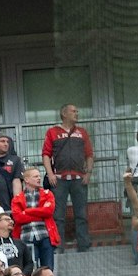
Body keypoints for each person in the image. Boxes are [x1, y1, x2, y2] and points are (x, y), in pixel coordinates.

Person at [42, 104, 93, 251]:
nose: (77, 113)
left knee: (82, 214)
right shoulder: (52, 132)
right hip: (59, 178)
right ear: (64, 114)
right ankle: (58, 246)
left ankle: (84, 245)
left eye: (77, 111)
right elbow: (46, 154)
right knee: (58, 215)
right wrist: (50, 174)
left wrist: (88, 173)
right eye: (73, 111)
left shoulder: (82, 132)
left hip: (79, 178)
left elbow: (89, 154)